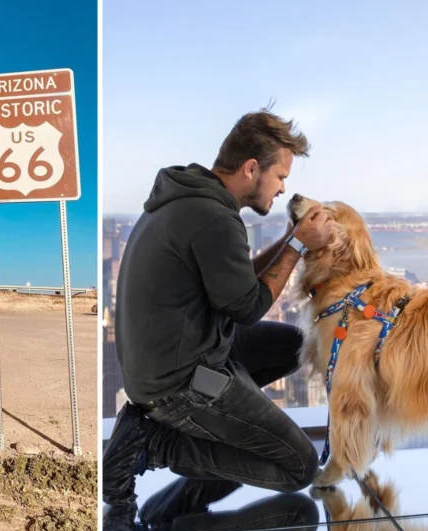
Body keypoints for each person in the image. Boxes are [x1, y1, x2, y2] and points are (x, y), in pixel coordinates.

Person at [103, 110, 336, 506]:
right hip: (180, 383)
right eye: (280, 177)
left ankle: (212, 424)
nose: (282, 189)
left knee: (293, 345)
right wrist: (298, 245)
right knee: (298, 466)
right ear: (250, 169)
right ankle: (153, 445)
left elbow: (237, 282)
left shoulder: (190, 199)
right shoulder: (213, 217)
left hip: (181, 355)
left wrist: (286, 238)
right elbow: (248, 307)